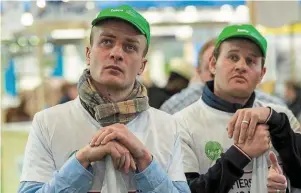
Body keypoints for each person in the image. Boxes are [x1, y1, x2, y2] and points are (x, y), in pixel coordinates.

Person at [18, 5, 190, 193]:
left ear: (142, 65)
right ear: (88, 54)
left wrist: (145, 161)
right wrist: (81, 161)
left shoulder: (167, 127)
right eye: (107, 42)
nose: (116, 53)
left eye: (130, 47)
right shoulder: (47, 123)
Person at [174, 24, 301, 193]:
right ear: (213, 64)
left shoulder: (282, 117)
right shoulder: (181, 123)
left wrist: (274, 119)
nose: (241, 66)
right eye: (233, 57)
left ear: (262, 74)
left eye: (251, 61)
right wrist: (241, 154)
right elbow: (185, 191)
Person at [160, 38, 286, 115]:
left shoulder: (274, 108)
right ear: (199, 72)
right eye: (211, 71)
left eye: (249, 61)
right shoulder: (176, 109)